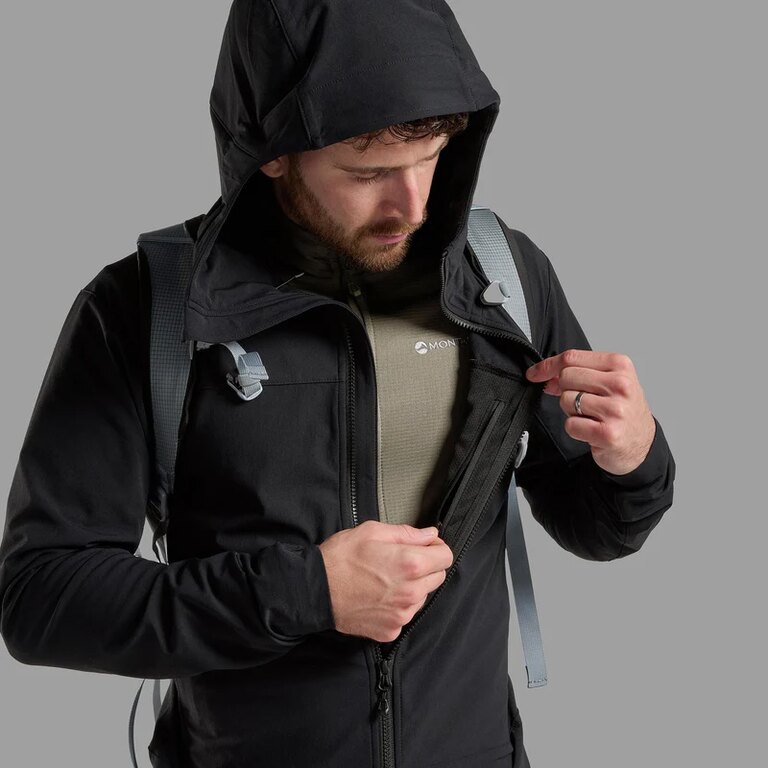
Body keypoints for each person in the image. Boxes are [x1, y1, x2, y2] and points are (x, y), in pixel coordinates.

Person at [0, 1, 675, 766]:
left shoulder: (500, 277)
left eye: (431, 157)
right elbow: (42, 598)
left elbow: (594, 527)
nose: (413, 205)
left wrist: (633, 458)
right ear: (273, 153)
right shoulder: (147, 311)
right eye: (369, 172)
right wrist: (306, 593)